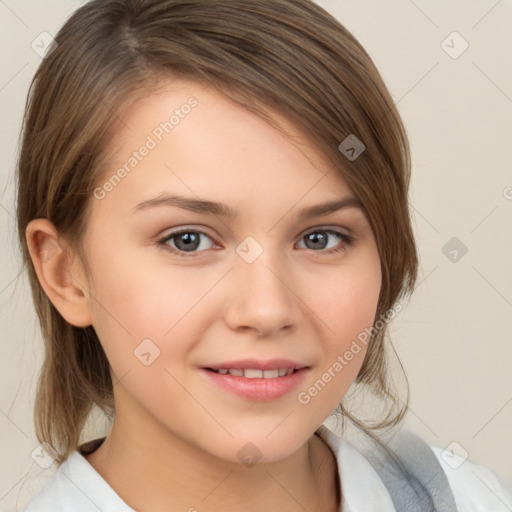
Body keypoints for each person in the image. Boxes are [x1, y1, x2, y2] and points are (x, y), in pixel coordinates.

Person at [14, 0, 511, 511]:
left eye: (321, 238)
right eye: (188, 239)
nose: (267, 309)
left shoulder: (473, 499)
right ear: (65, 273)